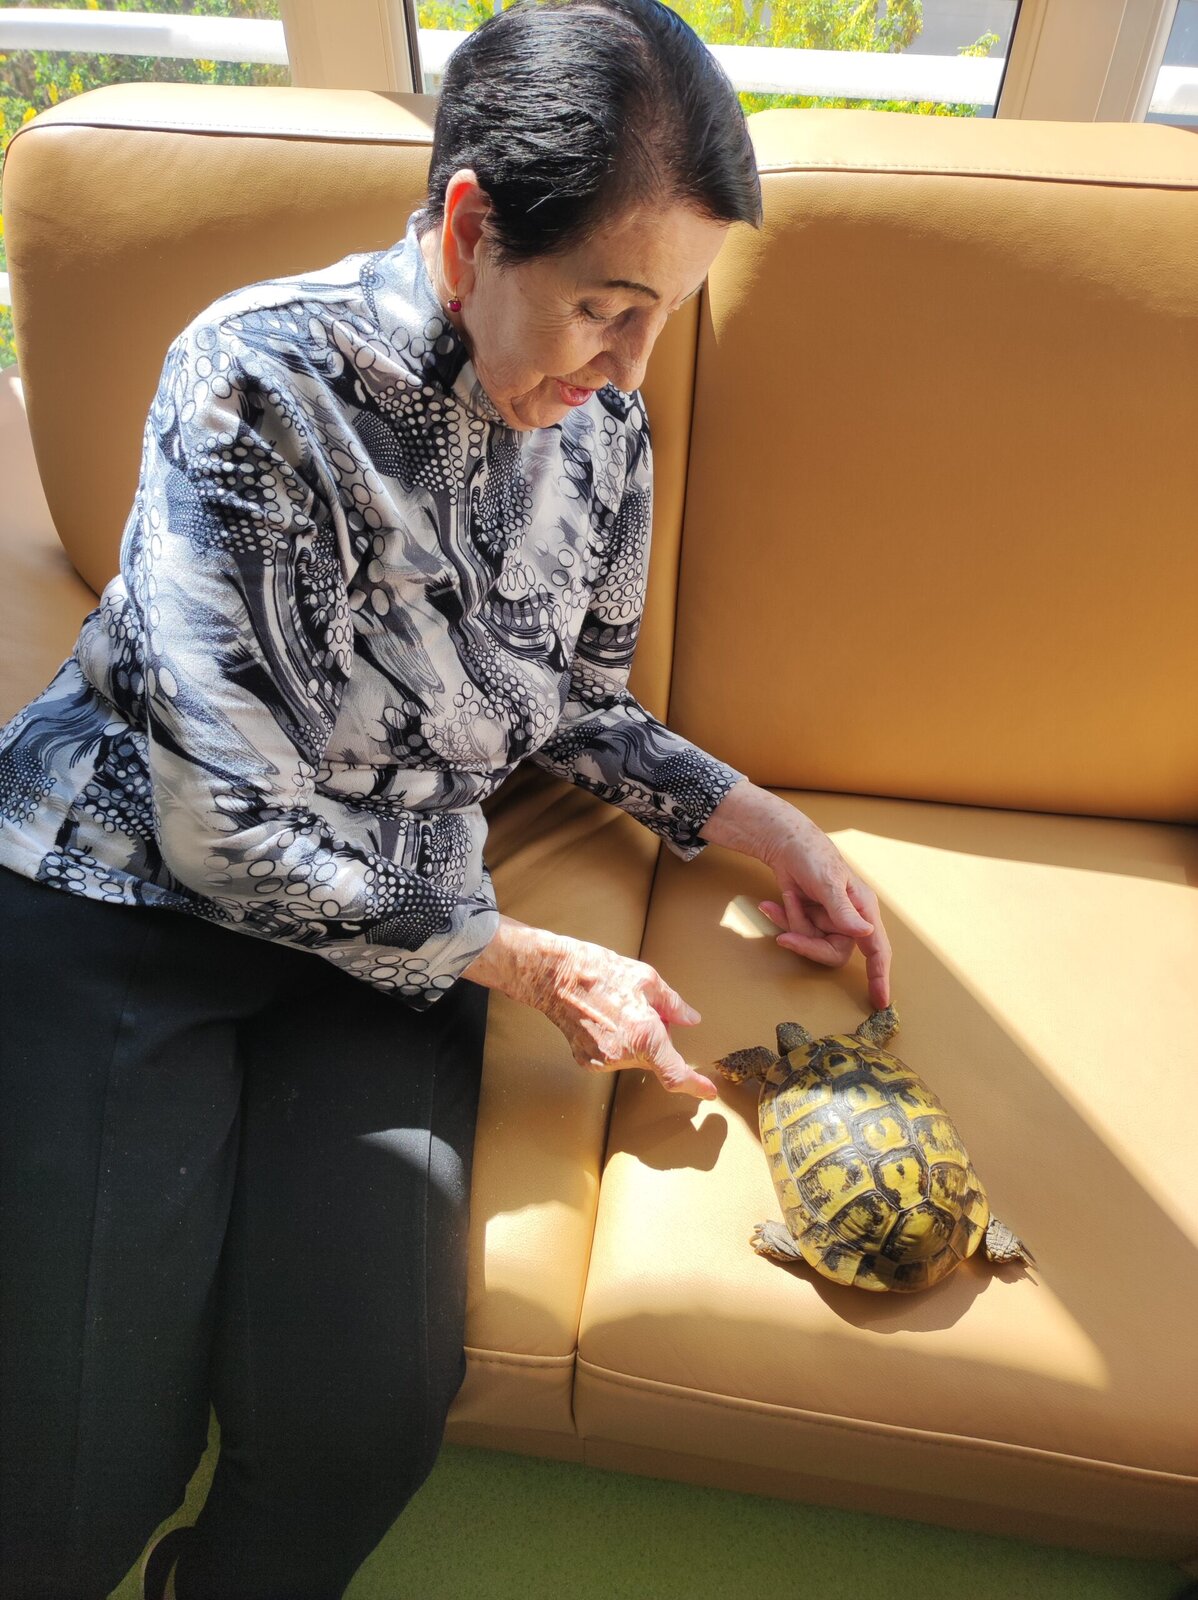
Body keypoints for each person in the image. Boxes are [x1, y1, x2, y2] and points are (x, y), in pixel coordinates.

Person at [0, 0, 892, 1595]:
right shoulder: (254, 376)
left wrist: (755, 822)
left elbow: (571, 698)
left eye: (665, 316)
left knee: (356, 1426)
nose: (630, 366)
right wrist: (529, 963)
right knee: (72, 1478)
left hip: (392, 938)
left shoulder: (603, 430)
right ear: (470, 226)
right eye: (605, 307)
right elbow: (222, 826)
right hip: (123, 894)